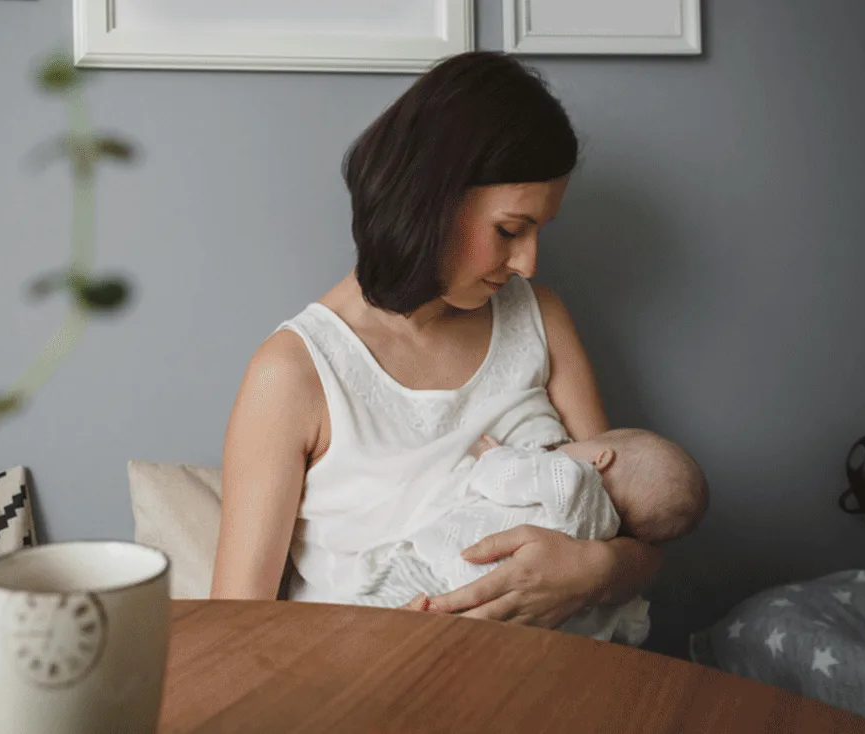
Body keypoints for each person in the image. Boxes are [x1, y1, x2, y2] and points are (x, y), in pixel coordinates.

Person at [210, 50, 709, 632]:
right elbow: (236, 628)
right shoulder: (296, 373)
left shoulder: (540, 320)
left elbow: (637, 531)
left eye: (538, 233)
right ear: (431, 200)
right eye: (509, 230)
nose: (527, 263)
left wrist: (590, 570)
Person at [350, 415, 707, 644]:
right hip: (507, 625)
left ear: (601, 458)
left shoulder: (573, 479)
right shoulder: (604, 536)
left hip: (451, 569)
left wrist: (494, 458)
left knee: (374, 605)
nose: (562, 448)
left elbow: (507, 479)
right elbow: (624, 620)